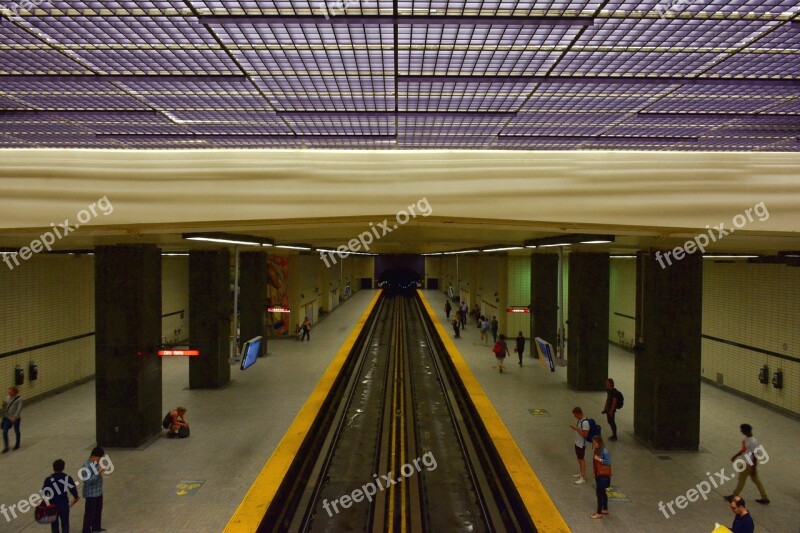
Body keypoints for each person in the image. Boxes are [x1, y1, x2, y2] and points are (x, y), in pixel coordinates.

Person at [725, 424, 769, 504]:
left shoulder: (753, 442)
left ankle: (734, 496)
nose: (740, 431)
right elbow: (744, 449)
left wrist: (753, 468)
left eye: (741, 430)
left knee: (741, 480)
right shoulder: (746, 438)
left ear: (746, 431)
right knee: (756, 480)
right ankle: (764, 497)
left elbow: (755, 455)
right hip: (747, 462)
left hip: (748, 464)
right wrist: (735, 456)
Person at [42, 459, 80, 533]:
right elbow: (73, 489)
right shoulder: (67, 478)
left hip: (53, 505)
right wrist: (76, 497)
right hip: (64, 504)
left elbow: (44, 493)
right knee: (65, 523)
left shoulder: (49, 479)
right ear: (63, 467)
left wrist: (47, 504)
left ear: (53, 468)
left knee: (54, 525)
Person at [82, 447, 106, 533]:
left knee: (98, 510)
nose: (99, 460)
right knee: (90, 513)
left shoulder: (96, 463)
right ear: (94, 456)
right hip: (91, 493)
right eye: (99, 458)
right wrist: (98, 473)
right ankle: (86, 529)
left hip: (98, 491)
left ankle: (96, 526)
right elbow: (88, 481)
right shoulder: (86, 466)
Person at [590, 435, 611, 519]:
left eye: (594, 443)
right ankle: (605, 509)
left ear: (598, 443)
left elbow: (608, 462)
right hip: (599, 474)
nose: (594, 444)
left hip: (603, 476)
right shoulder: (597, 450)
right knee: (602, 492)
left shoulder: (604, 451)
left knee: (599, 493)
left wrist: (599, 459)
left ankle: (599, 512)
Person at [569, 407, 590, 484]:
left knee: (581, 460)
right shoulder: (580, 420)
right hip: (577, 442)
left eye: (575, 415)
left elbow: (585, 435)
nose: (575, 416)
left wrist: (576, 429)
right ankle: (581, 473)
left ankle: (583, 477)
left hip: (581, 444)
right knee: (579, 458)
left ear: (579, 413)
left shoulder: (585, 422)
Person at [2, 386, 22, 453]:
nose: (9, 393)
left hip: (15, 418)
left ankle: (17, 444)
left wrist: (15, 417)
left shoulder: (19, 399)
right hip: (7, 417)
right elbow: (5, 407)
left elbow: (19, 409)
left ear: (14, 392)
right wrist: (3, 405)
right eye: (8, 391)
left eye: (10, 391)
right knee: (4, 431)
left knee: (16, 430)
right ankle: (6, 446)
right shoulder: (7, 397)